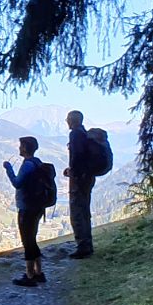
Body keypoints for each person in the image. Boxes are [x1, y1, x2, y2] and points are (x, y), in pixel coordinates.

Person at [4, 137, 47, 286]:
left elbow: (17, 183)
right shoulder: (37, 162)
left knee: (27, 241)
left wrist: (9, 169)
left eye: (21, 146)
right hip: (37, 206)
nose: (19, 148)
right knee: (32, 238)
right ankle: (39, 272)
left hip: (27, 207)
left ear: (25, 148)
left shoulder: (27, 165)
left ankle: (29, 276)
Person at [63, 109, 95, 258]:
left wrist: (72, 171)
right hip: (87, 177)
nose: (66, 121)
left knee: (77, 211)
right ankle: (87, 243)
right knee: (84, 210)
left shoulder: (75, 134)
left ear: (73, 120)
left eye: (68, 119)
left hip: (79, 179)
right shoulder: (84, 133)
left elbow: (77, 155)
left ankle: (82, 246)